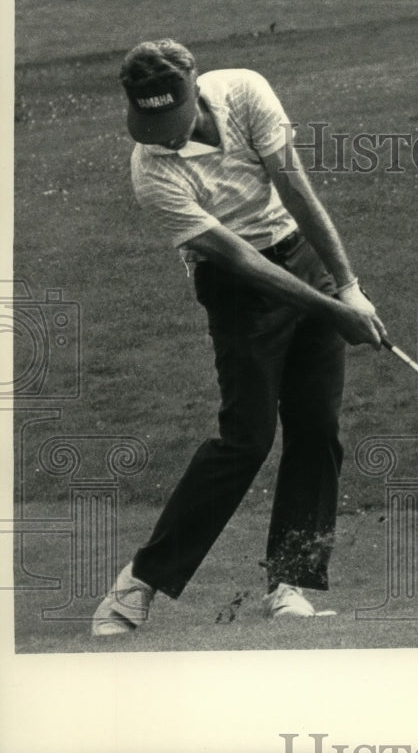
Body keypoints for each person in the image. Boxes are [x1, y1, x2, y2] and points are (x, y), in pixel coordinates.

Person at [91, 38, 388, 635]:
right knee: (247, 438)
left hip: (301, 253)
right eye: (152, 126)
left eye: (174, 120)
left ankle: (289, 584)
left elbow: (296, 189)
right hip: (235, 285)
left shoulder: (245, 92)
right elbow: (239, 260)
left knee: (317, 426)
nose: (165, 137)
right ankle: (136, 586)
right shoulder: (151, 171)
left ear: (195, 88)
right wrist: (332, 310)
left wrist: (348, 288)